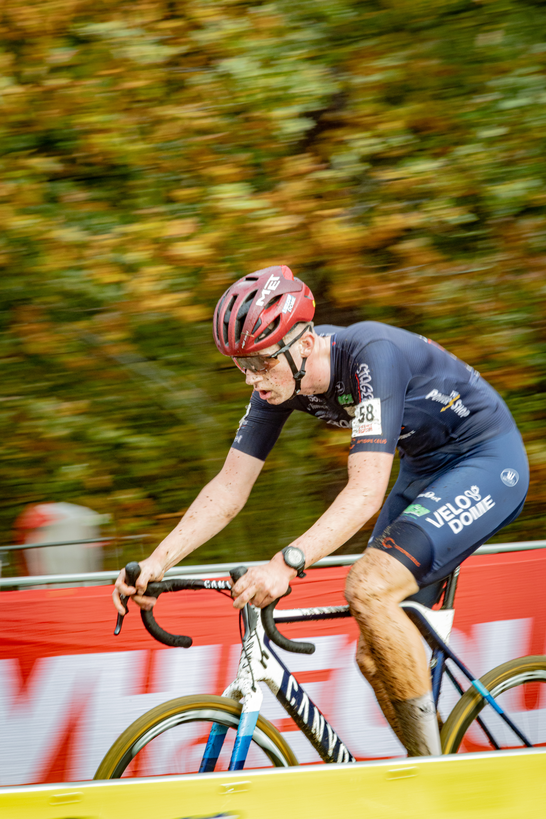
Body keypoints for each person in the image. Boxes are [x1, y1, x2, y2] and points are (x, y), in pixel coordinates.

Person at [113, 264, 529, 757]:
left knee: (368, 588)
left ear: (305, 344)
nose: (253, 378)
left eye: (262, 362)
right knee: (374, 658)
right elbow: (229, 487)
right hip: (424, 468)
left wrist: (285, 563)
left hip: (485, 460)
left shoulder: (371, 355)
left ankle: (436, 773)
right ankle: (438, 763)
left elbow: (366, 491)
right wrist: (158, 561)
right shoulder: (277, 382)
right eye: (241, 365)